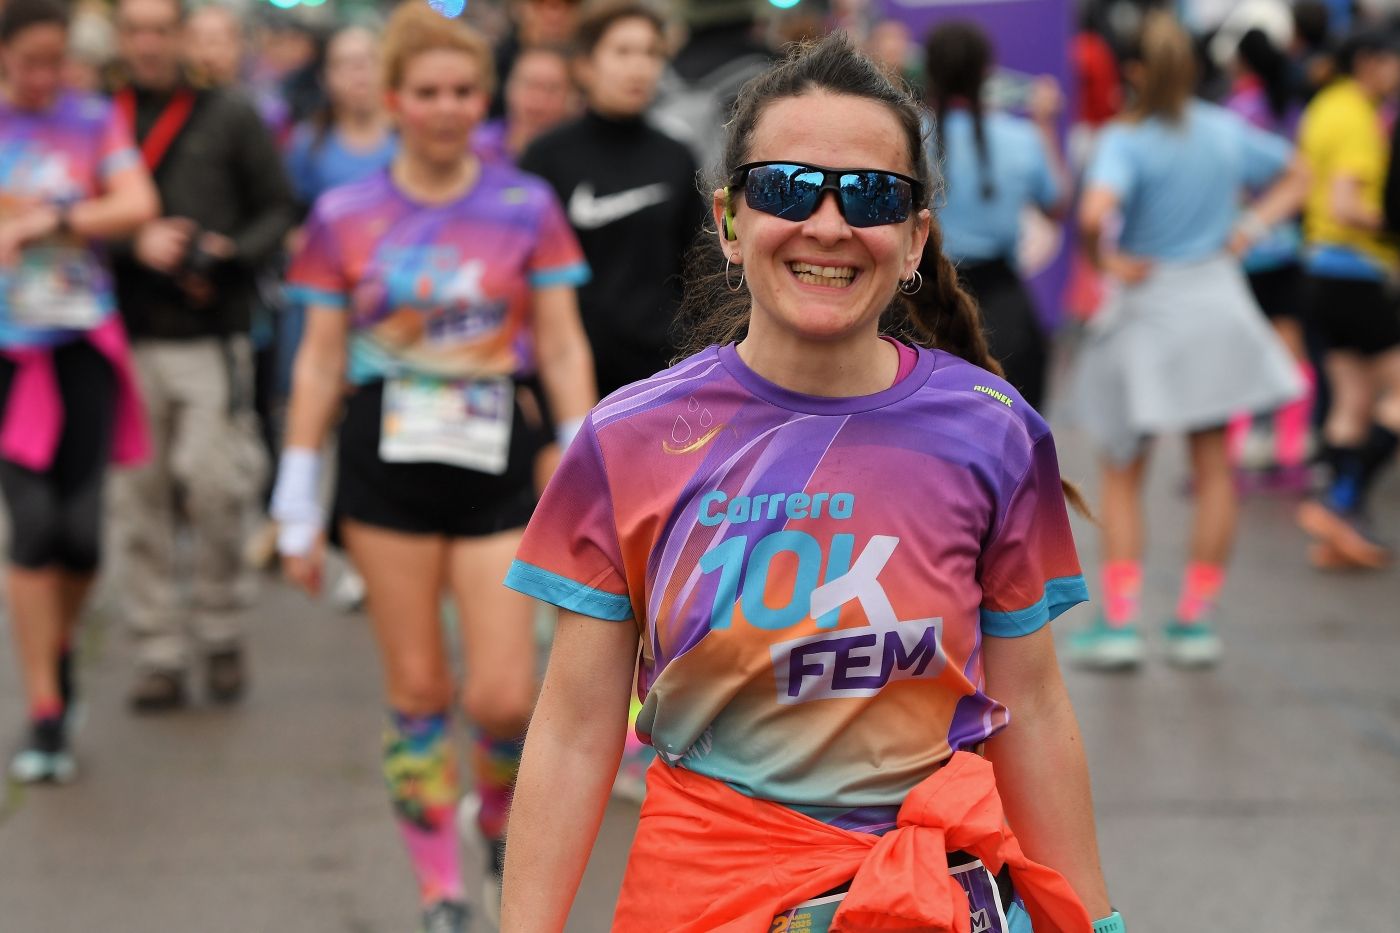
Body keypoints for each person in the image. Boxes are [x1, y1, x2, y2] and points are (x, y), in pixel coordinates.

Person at [500, 33, 1120, 933]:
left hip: (932, 897)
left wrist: (1094, 923)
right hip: (703, 894)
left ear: (914, 239)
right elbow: (572, 728)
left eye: (870, 195)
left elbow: (1033, 709)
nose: (828, 224)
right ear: (728, 220)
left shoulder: (995, 430)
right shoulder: (626, 439)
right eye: (788, 187)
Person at [272, 6, 595, 931]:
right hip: (385, 456)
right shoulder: (343, 214)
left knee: (500, 693)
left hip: (494, 446)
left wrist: (580, 455)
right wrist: (296, 497)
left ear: (482, 99)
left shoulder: (523, 205)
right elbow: (320, 358)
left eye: (463, 91)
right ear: (393, 99)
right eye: (427, 92)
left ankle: (495, 820)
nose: (447, 108)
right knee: (417, 687)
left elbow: (562, 344)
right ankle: (439, 892)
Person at [1070, 12, 1306, 671]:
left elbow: (1093, 214)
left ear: (1135, 72)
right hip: (1215, 302)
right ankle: (1194, 622)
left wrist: (1104, 258)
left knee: (1122, 470)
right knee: (1213, 469)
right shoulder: (1226, 130)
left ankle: (1121, 623)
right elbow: (1299, 173)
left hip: (1150, 310)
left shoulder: (1127, 139)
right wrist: (1251, 227)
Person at [109, 0, 296, 712]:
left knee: (216, 487)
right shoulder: (104, 118)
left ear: (184, 35)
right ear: (121, 39)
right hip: (126, 335)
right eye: (136, 30)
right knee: (138, 498)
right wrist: (134, 242)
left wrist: (228, 253)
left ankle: (219, 626)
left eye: (162, 28)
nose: (149, 43)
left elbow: (279, 207)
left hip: (211, 332)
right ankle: (157, 648)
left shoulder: (231, 114)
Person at [0, 0, 158, 782]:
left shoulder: (91, 118)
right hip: (8, 351)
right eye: (29, 62)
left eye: (53, 60)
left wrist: (51, 220)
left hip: (83, 345)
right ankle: (44, 708)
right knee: (31, 526)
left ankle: (57, 642)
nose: (42, 76)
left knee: (83, 535)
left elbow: (137, 206)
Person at [520, 1, 705, 397]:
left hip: (661, 377)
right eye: (622, 52)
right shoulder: (546, 157)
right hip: (568, 379)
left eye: (651, 53)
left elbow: (699, 268)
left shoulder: (675, 156)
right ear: (585, 65)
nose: (639, 67)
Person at [923, 21, 1069, 412]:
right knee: (1015, 435)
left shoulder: (906, 138)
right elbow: (1057, 204)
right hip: (1004, 316)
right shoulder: (1021, 138)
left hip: (921, 307)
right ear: (986, 71)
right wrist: (1044, 126)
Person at [1296, 29, 1400, 570]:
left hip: (1316, 273)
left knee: (1351, 401)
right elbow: (1345, 202)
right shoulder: (1360, 115)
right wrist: (1389, 223)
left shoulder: (1326, 105)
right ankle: (1339, 503)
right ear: (1370, 61)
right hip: (1355, 274)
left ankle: (1340, 529)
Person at [1224, 28, 1315, 489]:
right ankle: (1291, 447)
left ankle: (1239, 448)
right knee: (1291, 346)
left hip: (1246, 246)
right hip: (1288, 244)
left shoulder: (1239, 112)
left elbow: (1228, 177)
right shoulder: (1293, 107)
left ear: (1243, 64)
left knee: (1243, 348)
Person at [472, 44, 575, 165]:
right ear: (508, 87)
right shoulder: (475, 145)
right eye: (530, 85)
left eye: (552, 89)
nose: (538, 99)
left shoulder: (577, 156)